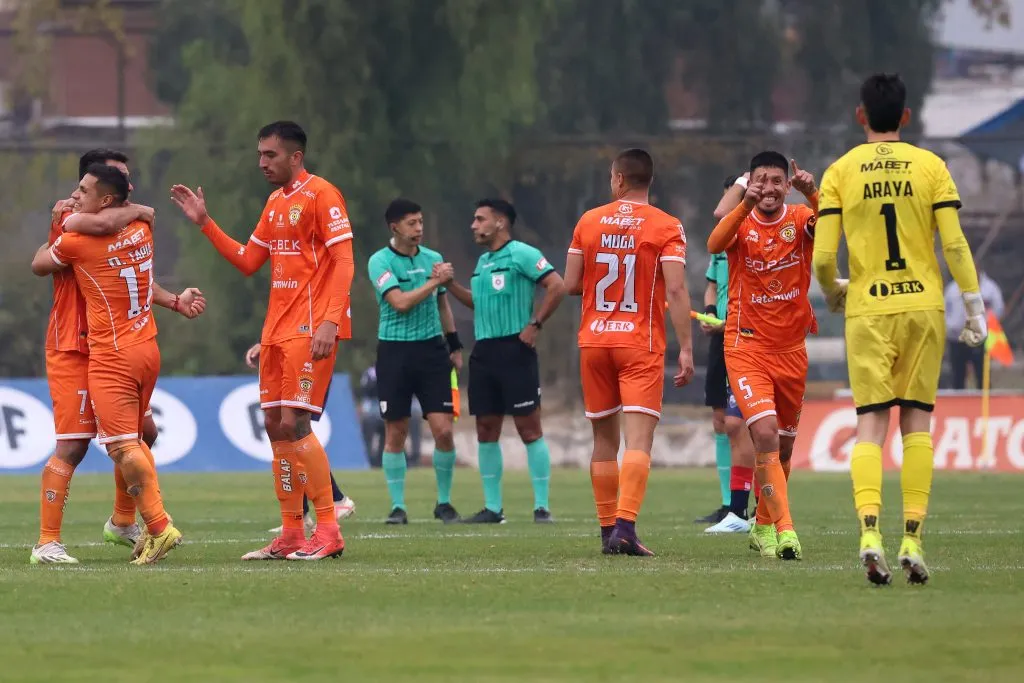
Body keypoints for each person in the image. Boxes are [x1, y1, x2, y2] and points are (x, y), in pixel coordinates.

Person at [813, 73, 988, 585]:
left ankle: (870, 533)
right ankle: (912, 538)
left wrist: (835, 293)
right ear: (905, 117)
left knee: (870, 424)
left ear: (860, 115)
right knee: (917, 424)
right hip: (925, 308)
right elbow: (954, 246)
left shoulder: (840, 171)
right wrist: (973, 305)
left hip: (869, 309)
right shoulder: (932, 166)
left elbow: (824, 258)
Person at [171, 120, 353, 561]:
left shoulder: (323, 194)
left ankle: (329, 528)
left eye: (270, 155)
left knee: (295, 423)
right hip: (276, 331)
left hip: (311, 328)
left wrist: (330, 321)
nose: (261, 163)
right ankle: (292, 533)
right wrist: (205, 223)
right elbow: (250, 260)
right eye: (259, 155)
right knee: (274, 427)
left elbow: (344, 261)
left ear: (296, 156)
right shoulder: (275, 202)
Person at [30, 149, 204, 565]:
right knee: (74, 445)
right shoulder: (81, 227)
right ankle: (47, 542)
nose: (132, 193)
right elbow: (41, 262)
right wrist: (133, 212)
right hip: (75, 345)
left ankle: (124, 522)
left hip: (113, 347)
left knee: (143, 434)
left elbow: (137, 281)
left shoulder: (120, 224)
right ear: (100, 193)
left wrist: (174, 301)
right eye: (123, 186)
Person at [563, 148, 695, 556]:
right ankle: (625, 526)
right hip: (639, 343)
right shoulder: (667, 226)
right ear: (647, 181)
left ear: (619, 180)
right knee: (638, 441)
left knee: (604, 439)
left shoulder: (588, 221)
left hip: (595, 342)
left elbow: (571, 284)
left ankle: (607, 531)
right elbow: (674, 289)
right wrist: (687, 347)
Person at [707, 151, 820, 561]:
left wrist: (814, 193)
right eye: (761, 180)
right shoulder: (742, 219)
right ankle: (787, 529)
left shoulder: (799, 219)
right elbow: (714, 242)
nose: (769, 188)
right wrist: (745, 202)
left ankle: (764, 523)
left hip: (791, 351)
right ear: (750, 182)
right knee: (766, 434)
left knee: (783, 450)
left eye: (776, 180)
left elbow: (832, 230)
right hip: (746, 346)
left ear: (787, 186)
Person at [445, 199, 566, 523]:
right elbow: (479, 302)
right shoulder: (483, 261)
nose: (473, 225)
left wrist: (535, 324)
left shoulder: (523, 254)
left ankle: (542, 506)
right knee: (486, 428)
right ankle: (493, 508)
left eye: (479, 218)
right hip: (484, 352)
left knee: (529, 427)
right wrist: (451, 286)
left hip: (516, 348)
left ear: (500, 222)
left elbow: (557, 285)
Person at [367, 198, 463, 525]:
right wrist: (437, 281)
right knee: (396, 432)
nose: (419, 228)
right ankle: (398, 507)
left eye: (421, 222)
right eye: (412, 223)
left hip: (432, 352)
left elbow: (443, 306)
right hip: (395, 353)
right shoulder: (379, 262)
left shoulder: (434, 259)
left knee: (443, 430)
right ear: (395, 227)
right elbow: (400, 303)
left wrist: (454, 344)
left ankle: (444, 503)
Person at [694, 175, 755, 529]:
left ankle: (756, 504)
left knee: (749, 423)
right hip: (721, 337)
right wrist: (712, 313)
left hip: (749, 335)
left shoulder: (755, 237)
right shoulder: (720, 243)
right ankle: (729, 505)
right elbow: (711, 285)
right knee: (722, 420)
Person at [243, 343, 357, 533]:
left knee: (294, 427)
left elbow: (312, 318)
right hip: (289, 349)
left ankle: (334, 503)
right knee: (287, 429)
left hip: (306, 353)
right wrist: (267, 343)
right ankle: (303, 514)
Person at [944, 268, 1004, 389]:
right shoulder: (952, 289)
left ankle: (984, 401)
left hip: (980, 337)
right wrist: (950, 327)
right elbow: (945, 311)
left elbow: (998, 309)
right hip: (957, 337)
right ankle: (958, 402)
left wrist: (987, 324)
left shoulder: (990, 288)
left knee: (982, 374)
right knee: (958, 374)